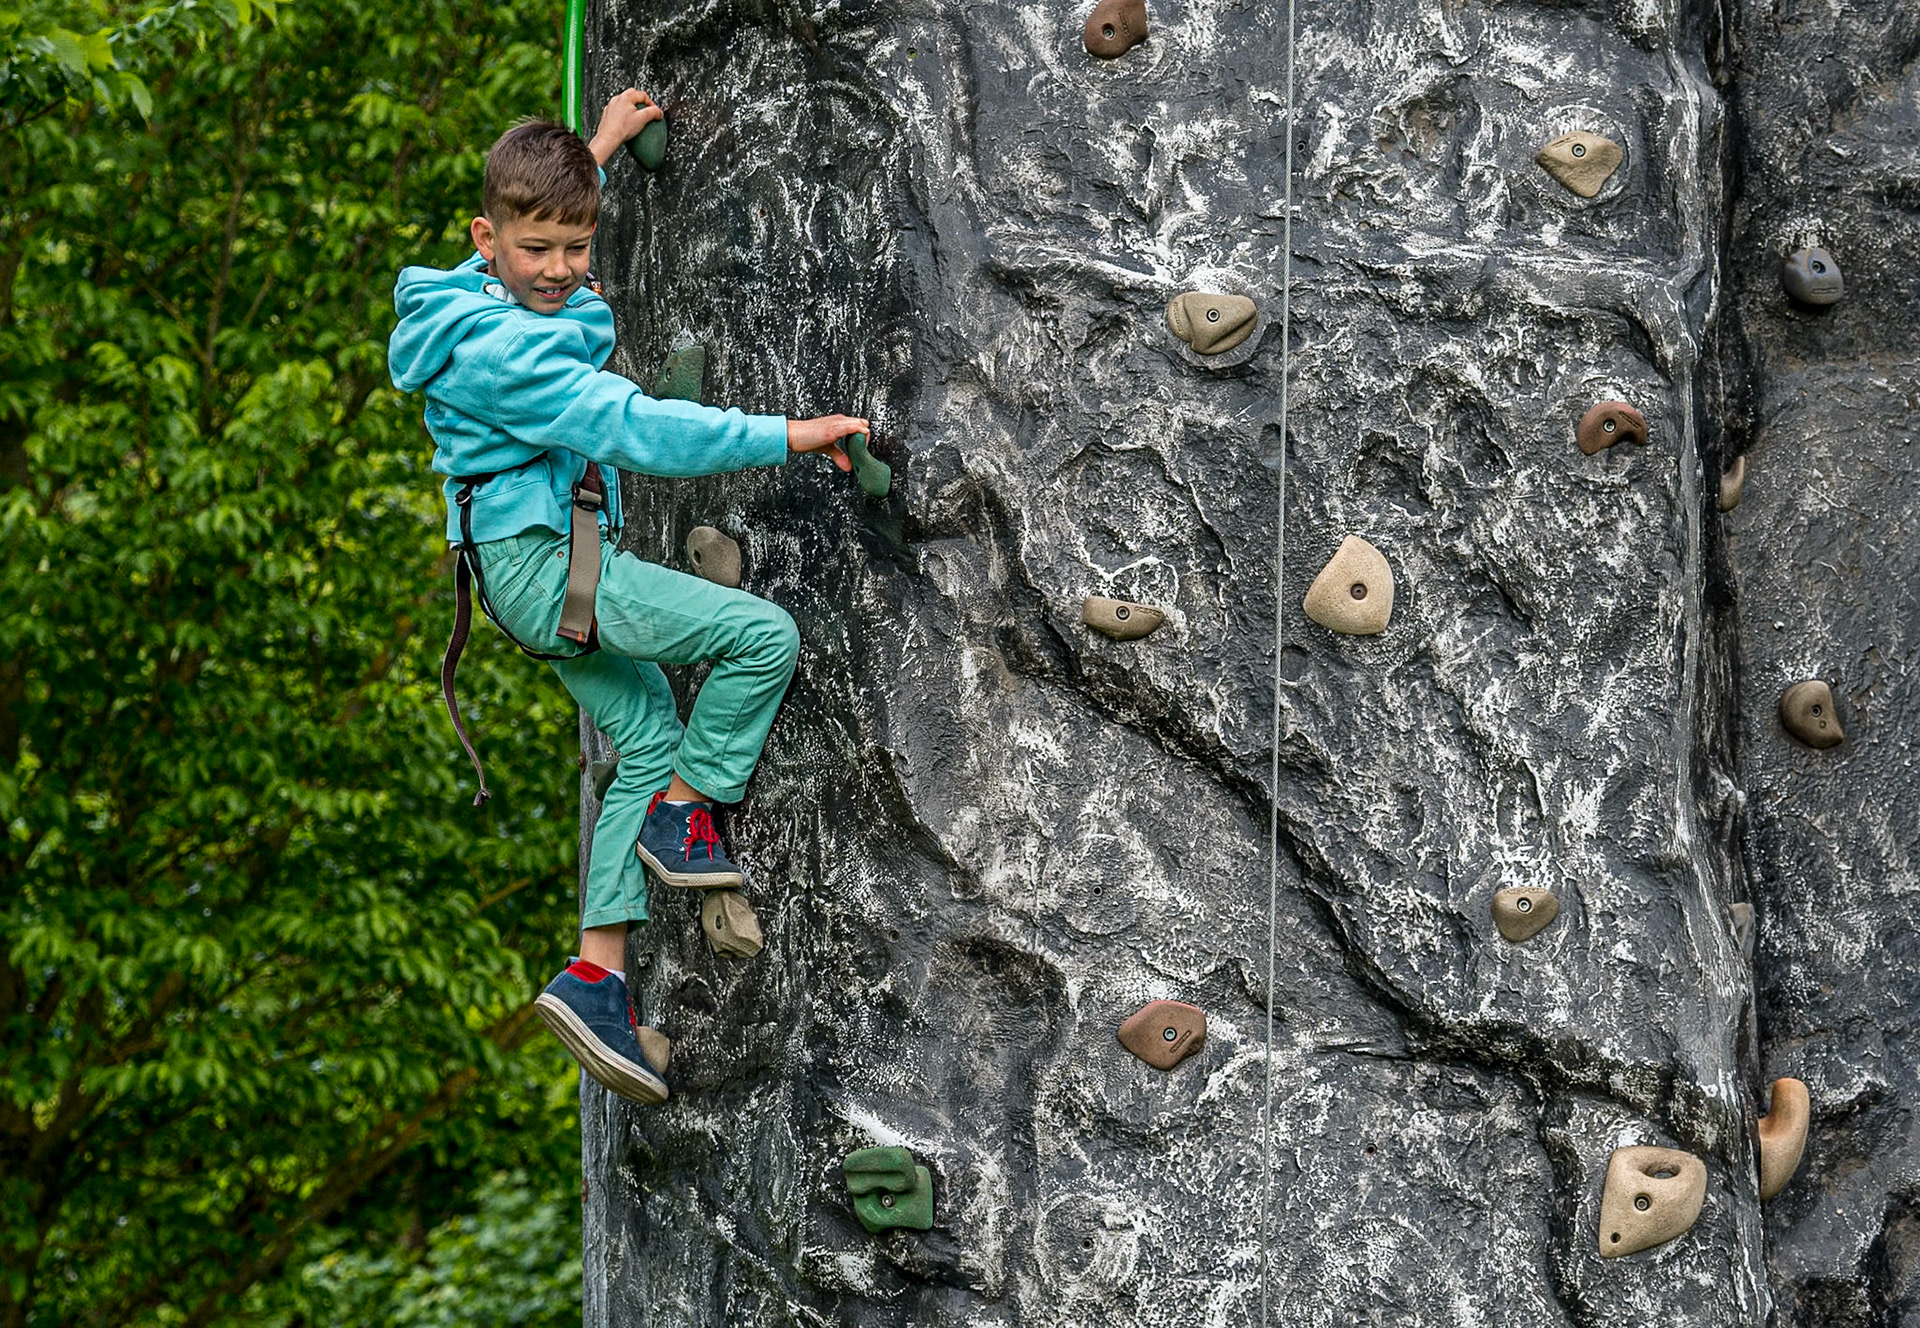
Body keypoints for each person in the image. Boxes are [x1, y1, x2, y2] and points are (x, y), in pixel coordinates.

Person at [387, 89, 868, 1106]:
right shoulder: (518, 358)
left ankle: (596, 973)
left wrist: (593, 151)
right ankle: (684, 816)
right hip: (547, 569)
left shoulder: (467, 298)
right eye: (537, 250)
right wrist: (790, 433)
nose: (559, 269)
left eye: (577, 244)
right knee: (761, 635)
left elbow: (534, 234)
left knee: (644, 728)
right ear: (490, 235)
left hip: (517, 569)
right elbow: (646, 430)